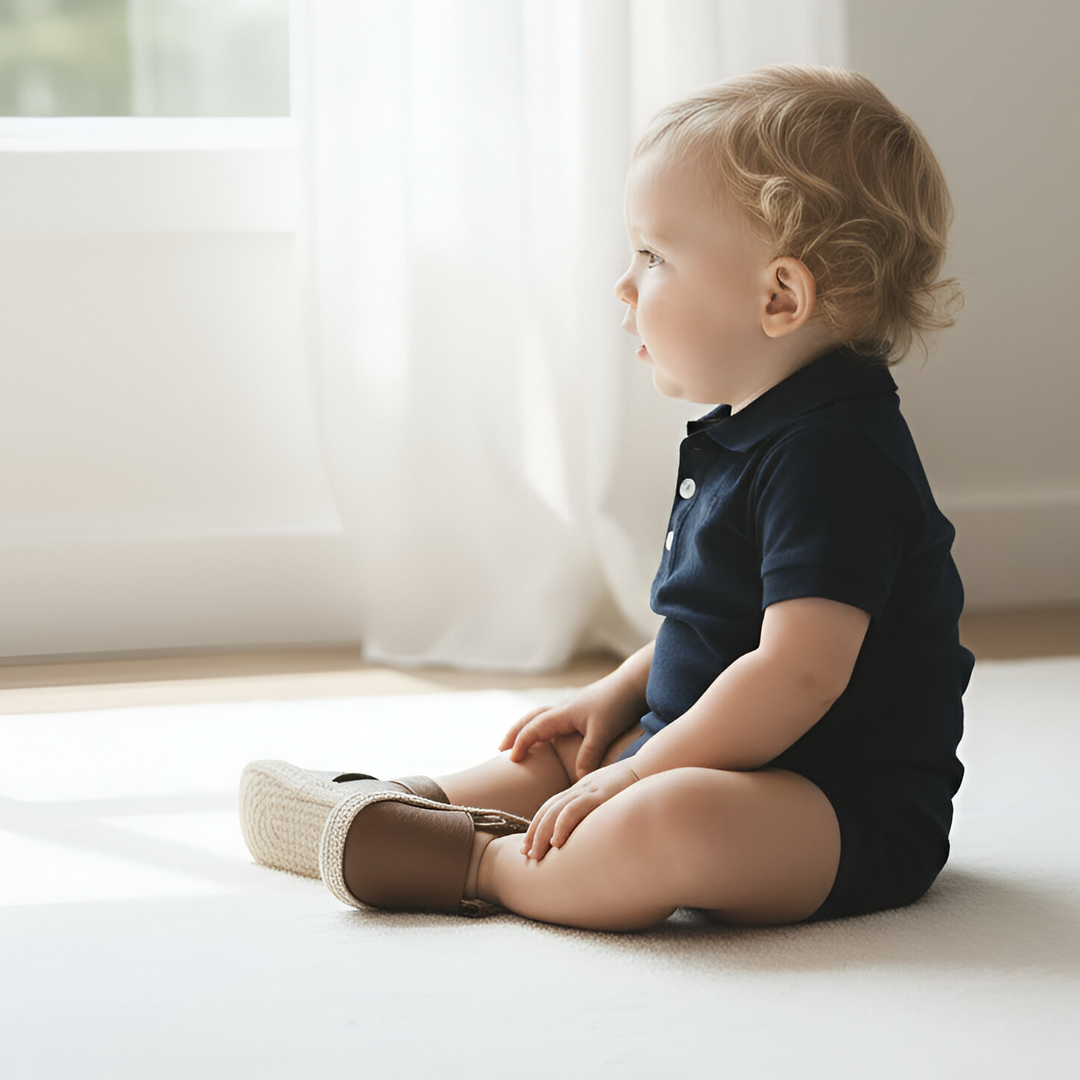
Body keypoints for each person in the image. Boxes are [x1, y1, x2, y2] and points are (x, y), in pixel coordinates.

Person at [240, 63, 974, 932]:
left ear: (780, 296)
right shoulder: (753, 432)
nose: (625, 285)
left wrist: (639, 771)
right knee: (569, 754)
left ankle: (475, 862)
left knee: (667, 819)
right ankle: (396, 808)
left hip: (835, 810)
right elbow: (716, 623)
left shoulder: (838, 458)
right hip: (720, 753)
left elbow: (797, 672)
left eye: (654, 257)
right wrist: (622, 694)